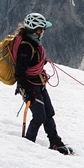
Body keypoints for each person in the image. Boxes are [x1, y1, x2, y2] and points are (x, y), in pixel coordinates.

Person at [14, 12, 71, 154]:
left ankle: (55, 142)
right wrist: (27, 91)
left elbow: (30, 63)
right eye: (41, 29)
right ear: (34, 29)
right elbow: (19, 72)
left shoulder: (32, 43)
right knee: (40, 116)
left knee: (48, 113)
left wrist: (40, 62)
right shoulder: (26, 47)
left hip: (37, 84)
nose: (43, 31)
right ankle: (28, 143)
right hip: (30, 86)